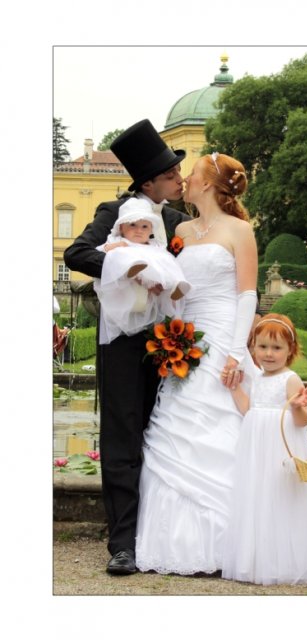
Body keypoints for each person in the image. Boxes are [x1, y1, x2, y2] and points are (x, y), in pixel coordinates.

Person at [64, 119, 191, 575]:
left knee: (160, 432)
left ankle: (157, 535)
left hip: (167, 342)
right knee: (121, 435)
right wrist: (127, 266)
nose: (179, 179)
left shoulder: (178, 221)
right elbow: (77, 254)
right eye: (171, 174)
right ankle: (122, 544)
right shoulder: (112, 211)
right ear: (149, 182)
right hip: (121, 340)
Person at [135, 151, 258, 575]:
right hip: (184, 337)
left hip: (222, 335)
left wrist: (236, 353)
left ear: (208, 183)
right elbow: (178, 288)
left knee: (220, 422)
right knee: (174, 425)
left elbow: (247, 294)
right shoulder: (181, 231)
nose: (184, 179)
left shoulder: (240, 230)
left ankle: (226, 545)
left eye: (192, 174)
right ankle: (174, 545)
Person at [221, 313, 307, 585]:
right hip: (256, 445)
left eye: (277, 348)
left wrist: (299, 407)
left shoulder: (290, 379)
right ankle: (259, 559)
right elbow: (250, 409)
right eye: (262, 347)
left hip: (280, 446)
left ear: (290, 350)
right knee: (259, 496)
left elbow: (302, 421)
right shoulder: (257, 377)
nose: (269, 354)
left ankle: (284, 562)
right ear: (253, 347)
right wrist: (234, 389)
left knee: (280, 496)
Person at [94, 197, 191, 345]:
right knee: (117, 255)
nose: (139, 230)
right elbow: (103, 250)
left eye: (144, 226)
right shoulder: (119, 242)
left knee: (168, 260)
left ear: (151, 229)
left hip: (153, 286)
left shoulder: (154, 246)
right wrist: (115, 247)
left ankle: (175, 285)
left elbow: (165, 263)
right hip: (129, 286)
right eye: (133, 225)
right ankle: (131, 269)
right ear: (121, 227)